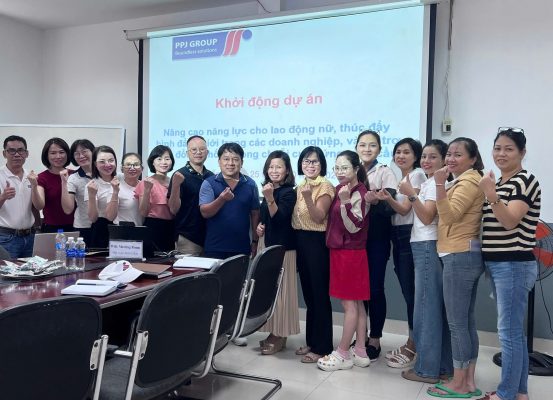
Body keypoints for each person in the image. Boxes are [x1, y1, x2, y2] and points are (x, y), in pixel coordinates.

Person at [479, 128, 541, 400]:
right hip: (498, 264)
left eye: (509, 149)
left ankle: (506, 394)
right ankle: (519, 392)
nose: (501, 154)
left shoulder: (524, 180)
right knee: (514, 333)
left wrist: (491, 194)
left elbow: (509, 221)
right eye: (497, 148)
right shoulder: (501, 182)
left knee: (509, 333)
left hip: (514, 264)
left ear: (522, 153)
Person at [427, 137, 485, 398]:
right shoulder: (465, 180)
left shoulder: (468, 182)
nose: (450, 159)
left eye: (457, 154)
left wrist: (439, 184)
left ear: (472, 159)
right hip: (463, 254)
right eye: (449, 153)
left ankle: (459, 383)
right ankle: (468, 381)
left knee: (458, 324)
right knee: (466, 323)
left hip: (459, 255)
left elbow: (449, 215)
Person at [398, 139, 453, 383]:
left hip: (427, 247)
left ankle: (427, 370)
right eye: (424, 157)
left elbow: (428, 217)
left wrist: (411, 194)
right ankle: (443, 367)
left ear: (443, 160)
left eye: (433, 157)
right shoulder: (432, 183)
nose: (426, 161)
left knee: (426, 310)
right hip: (426, 246)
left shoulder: (434, 185)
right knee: (433, 309)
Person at [317, 150, 370, 371]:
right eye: (337, 168)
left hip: (350, 253)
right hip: (342, 251)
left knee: (350, 305)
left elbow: (354, 227)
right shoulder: (341, 188)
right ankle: (360, 351)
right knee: (357, 303)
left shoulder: (359, 193)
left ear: (356, 169)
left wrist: (346, 202)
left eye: (345, 167)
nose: (340, 172)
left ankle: (342, 353)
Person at [375, 137, 425, 368]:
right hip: (398, 236)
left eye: (406, 152)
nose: (401, 156)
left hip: (407, 235)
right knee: (408, 292)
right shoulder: (403, 178)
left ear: (416, 156)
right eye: (398, 152)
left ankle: (414, 345)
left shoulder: (417, 175)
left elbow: (405, 209)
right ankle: (412, 341)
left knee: (411, 294)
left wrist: (388, 199)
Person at [355, 130, 397, 360]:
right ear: (356, 148)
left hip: (377, 239)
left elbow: (388, 208)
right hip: (355, 240)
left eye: (372, 145)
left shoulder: (385, 172)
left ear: (379, 149)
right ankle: (360, 334)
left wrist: (373, 201)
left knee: (375, 289)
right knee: (358, 290)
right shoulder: (352, 170)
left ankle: (375, 338)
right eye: (362, 145)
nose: (367, 149)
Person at [292, 146, 335, 364]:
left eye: (315, 161)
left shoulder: (325, 186)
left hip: (317, 243)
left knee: (319, 295)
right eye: (306, 161)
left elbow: (318, 217)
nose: (310, 165)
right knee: (309, 296)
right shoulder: (300, 185)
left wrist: (308, 197)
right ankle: (312, 341)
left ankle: (323, 346)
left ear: (322, 164)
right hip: (301, 241)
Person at [256, 150, 300, 355]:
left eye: (279, 167)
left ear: (287, 171)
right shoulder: (269, 189)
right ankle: (273, 331)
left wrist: (269, 198)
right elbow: (267, 219)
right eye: (271, 167)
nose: (274, 170)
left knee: (282, 293)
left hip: (283, 249)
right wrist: (260, 227)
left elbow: (281, 217)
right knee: (270, 291)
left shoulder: (289, 192)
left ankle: (280, 334)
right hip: (267, 246)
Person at [199, 142, 260, 259]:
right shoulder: (209, 183)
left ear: (242, 162)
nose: (231, 163)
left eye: (235, 159)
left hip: (241, 247)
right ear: (219, 162)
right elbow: (205, 213)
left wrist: (255, 242)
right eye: (226, 159)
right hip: (215, 247)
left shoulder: (250, 184)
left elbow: (255, 214)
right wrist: (221, 199)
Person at [168, 135, 213, 255]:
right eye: (194, 149)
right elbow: (173, 209)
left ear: (207, 152)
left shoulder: (211, 176)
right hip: (188, 238)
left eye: (202, 149)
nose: (198, 152)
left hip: (210, 237)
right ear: (187, 153)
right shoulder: (179, 175)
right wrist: (176, 185)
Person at [0, 135, 41, 258]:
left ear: (26, 154)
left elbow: (38, 207)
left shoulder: (31, 176)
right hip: (6, 238)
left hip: (30, 237)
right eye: (11, 151)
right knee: (7, 270)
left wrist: (34, 186)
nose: (17, 154)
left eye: (20, 150)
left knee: (31, 270)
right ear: (4, 154)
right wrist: (3, 197)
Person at [134, 145, 175, 252]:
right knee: (152, 259)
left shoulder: (174, 182)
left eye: (167, 159)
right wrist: (147, 190)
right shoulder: (146, 182)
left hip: (171, 227)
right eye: (159, 159)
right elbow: (143, 212)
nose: (164, 162)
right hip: (152, 227)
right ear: (152, 162)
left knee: (169, 259)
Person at [35, 137, 75, 233]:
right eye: (53, 153)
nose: (58, 156)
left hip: (75, 226)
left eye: (61, 152)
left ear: (67, 154)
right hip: (51, 229)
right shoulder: (41, 177)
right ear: (47, 155)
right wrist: (33, 186)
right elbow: (39, 205)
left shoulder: (74, 175)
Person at [84, 146, 119, 248]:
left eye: (111, 160)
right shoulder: (92, 185)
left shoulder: (122, 178)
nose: (107, 164)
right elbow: (93, 218)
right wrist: (92, 195)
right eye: (102, 161)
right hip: (102, 230)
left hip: (124, 228)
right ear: (95, 164)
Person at [61, 139, 95, 244]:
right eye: (77, 154)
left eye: (84, 151)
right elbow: (68, 209)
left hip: (105, 224)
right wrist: (64, 182)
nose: (81, 156)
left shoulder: (104, 173)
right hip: (83, 226)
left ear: (93, 152)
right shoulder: (73, 178)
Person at [115, 152, 143, 227]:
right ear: (122, 168)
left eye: (136, 164)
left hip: (141, 230)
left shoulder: (145, 187)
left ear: (142, 168)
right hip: (121, 230)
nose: (132, 168)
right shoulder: (116, 186)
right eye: (128, 164)